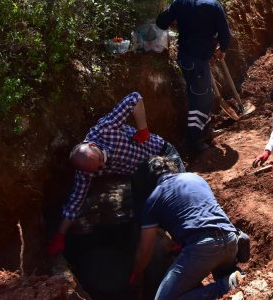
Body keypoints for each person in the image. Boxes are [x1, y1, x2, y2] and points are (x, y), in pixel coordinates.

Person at [47, 92, 185, 256]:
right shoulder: (86, 173)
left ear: (92, 145)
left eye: (100, 160)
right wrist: (60, 235)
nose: (103, 165)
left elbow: (135, 98)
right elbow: (75, 203)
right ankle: (173, 245)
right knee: (144, 213)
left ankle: (190, 237)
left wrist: (143, 130)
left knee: (179, 194)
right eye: (98, 168)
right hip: (143, 174)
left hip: (163, 154)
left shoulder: (104, 129)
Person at [130, 156, 242, 300]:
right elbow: (198, 214)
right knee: (217, 266)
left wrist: (137, 273)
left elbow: (145, 249)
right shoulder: (196, 178)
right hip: (231, 239)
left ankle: (225, 286)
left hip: (203, 247)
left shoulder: (153, 198)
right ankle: (230, 278)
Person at [156, 0, 232, 153]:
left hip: (186, 58)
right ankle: (193, 140)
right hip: (198, 60)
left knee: (200, 94)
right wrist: (222, 49)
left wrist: (177, 18)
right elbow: (225, 35)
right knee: (202, 98)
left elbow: (161, 22)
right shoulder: (214, 6)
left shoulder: (181, 1)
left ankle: (204, 131)